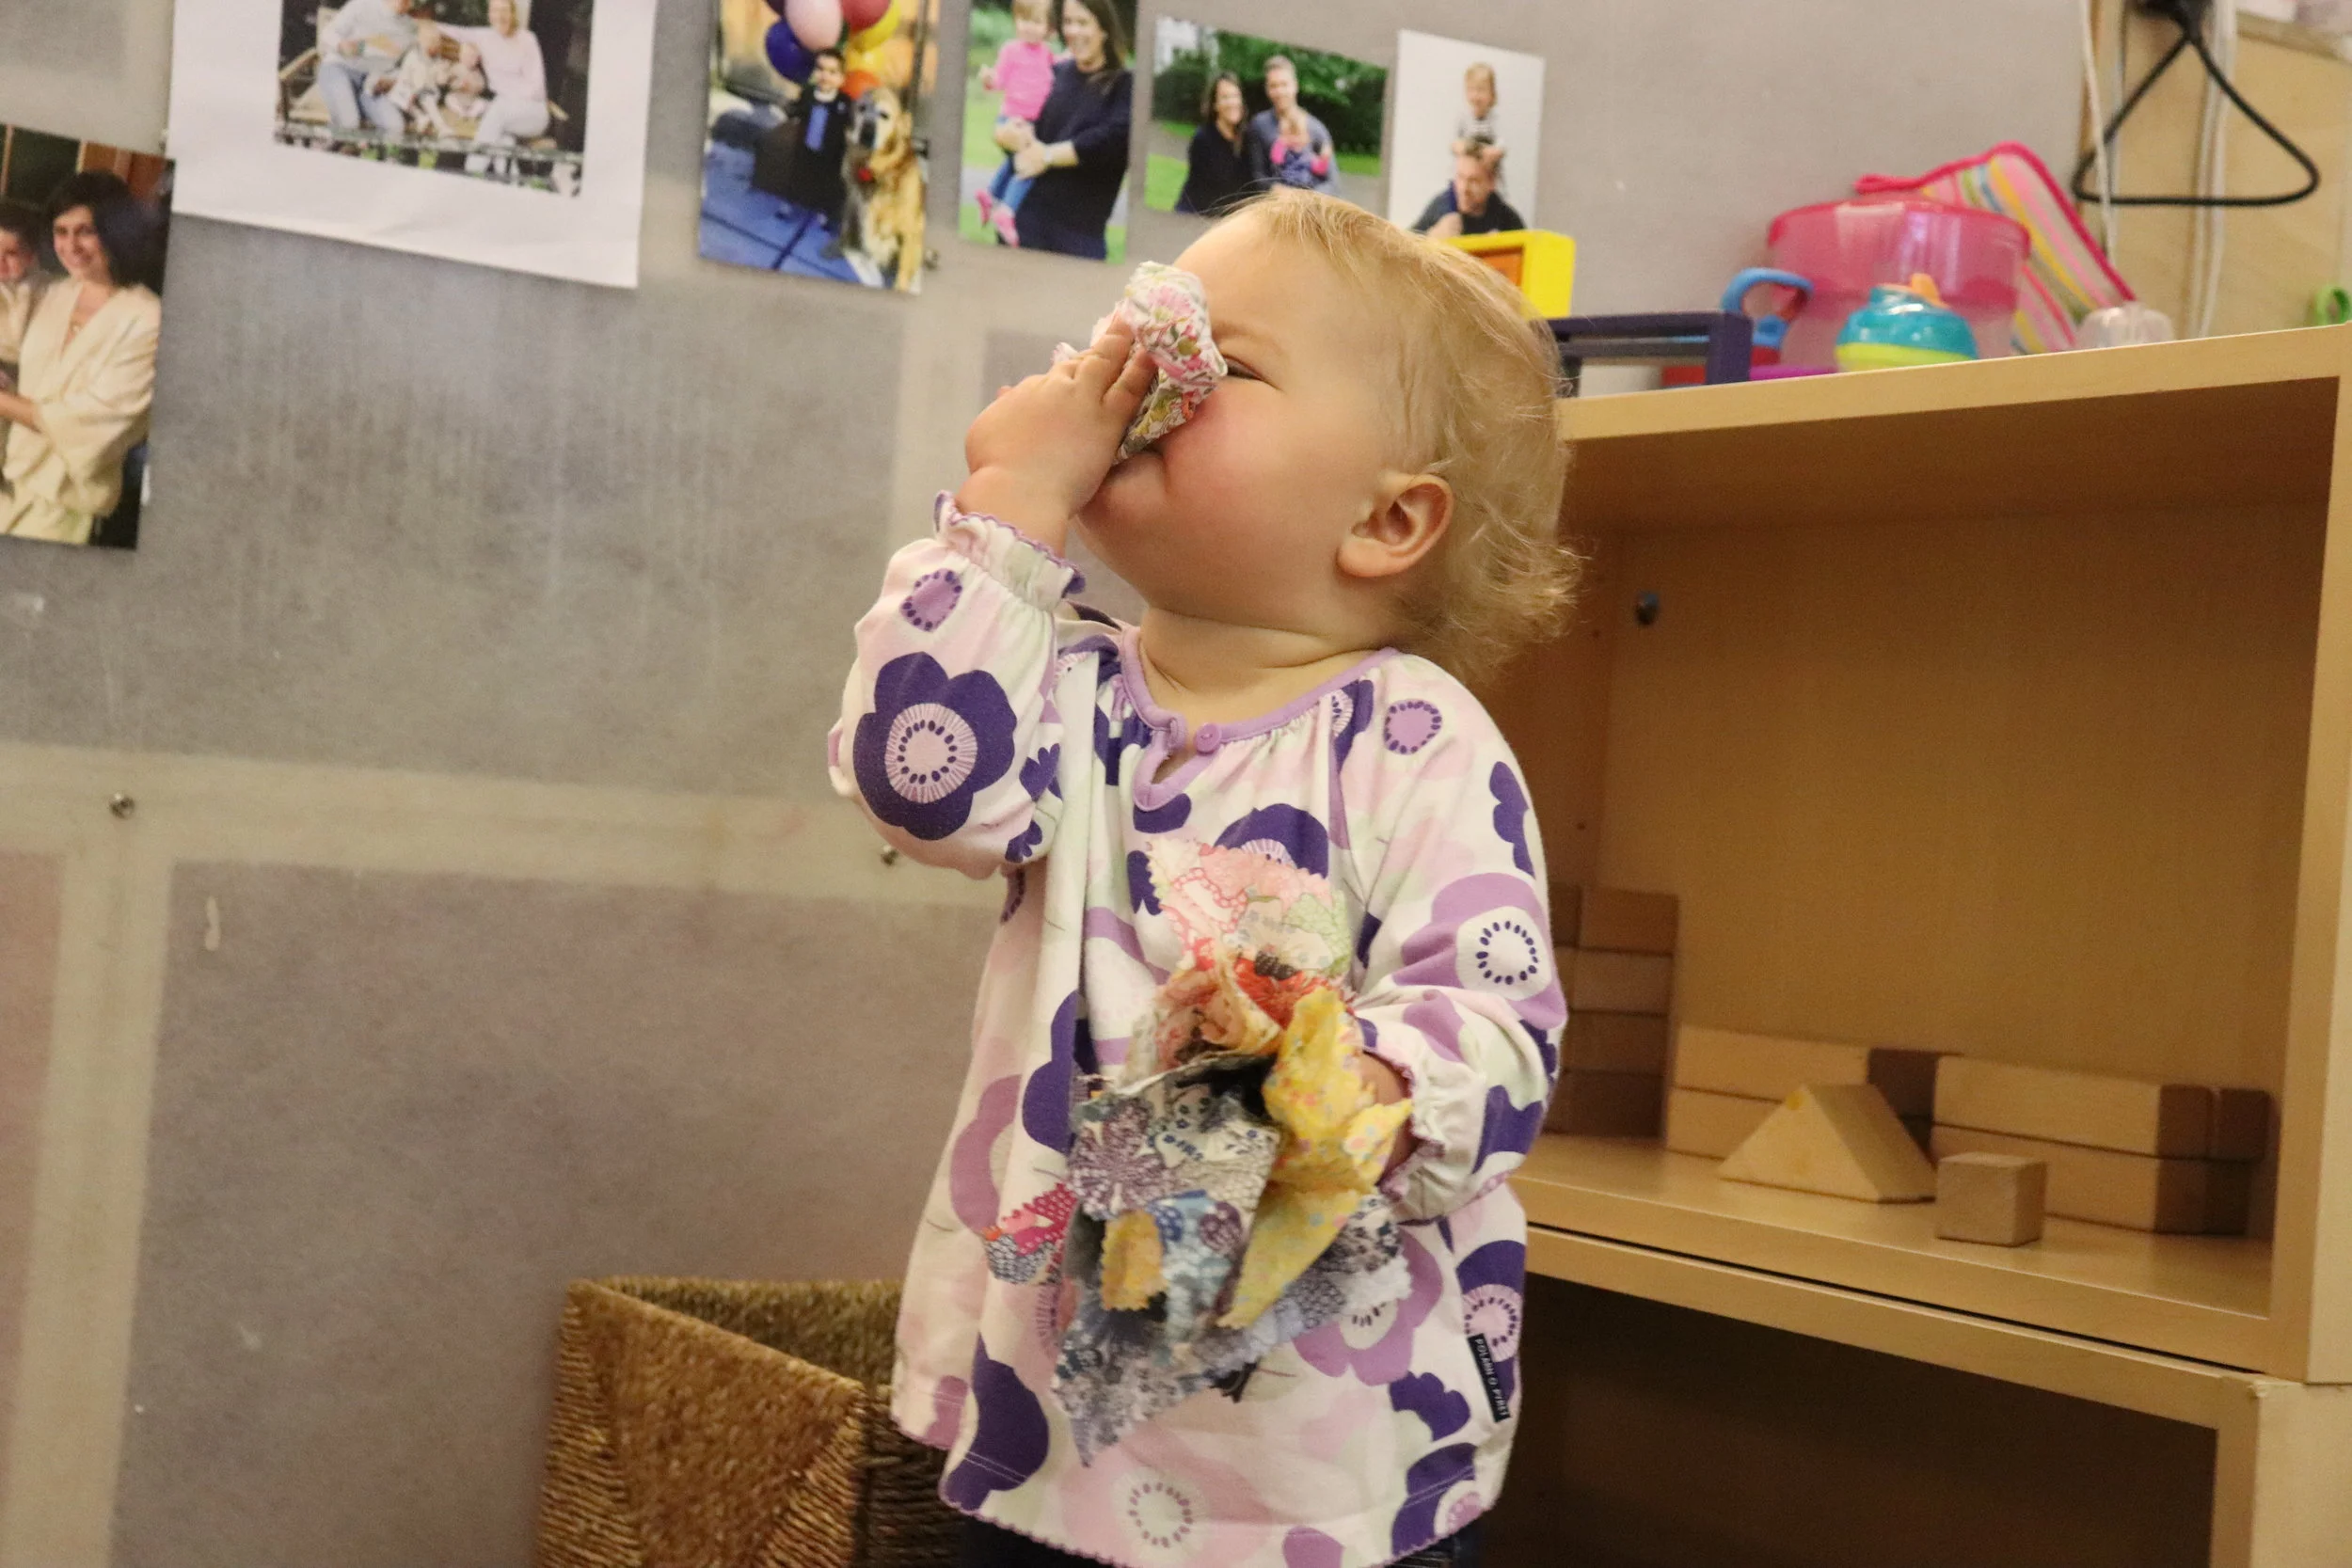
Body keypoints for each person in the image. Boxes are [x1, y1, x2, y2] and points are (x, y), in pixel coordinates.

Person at [831, 188, 1572, 1568]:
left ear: (1387, 519)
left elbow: (1500, 1027)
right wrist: (1007, 514)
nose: (1145, 371)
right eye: (1140, 330)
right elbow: (922, 781)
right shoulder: (1064, 685)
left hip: (1315, 1439)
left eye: (1218, 362)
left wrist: (1350, 1082)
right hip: (1046, 1410)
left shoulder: (1419, 741)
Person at [0, 174, 162, 546]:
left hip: (68, 510)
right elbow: (9, 339)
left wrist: (4, 402)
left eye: (85, 231)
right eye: (61, 231)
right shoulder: (53, 292)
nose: (70, 246)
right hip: (11, 486)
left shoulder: (149, 318)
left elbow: (94, 420)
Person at [1004, 0, 1134, 260]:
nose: (1073, 31)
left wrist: (1048, 156)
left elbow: (1115, 139)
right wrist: (1008, 135)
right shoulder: (1055, 72)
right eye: (1068, 22)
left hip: (1077, 240)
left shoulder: (1124, 84)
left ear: (1104, 29)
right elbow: (1029, 130)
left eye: (1083, 23)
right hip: (1025, 227)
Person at [975, 0, 1060, 246]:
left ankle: (990, 195)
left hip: (1034, 122)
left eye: (1036, 21)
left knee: (1014, 163)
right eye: (1024, 20)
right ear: (1015, 22)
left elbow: (1055, 75)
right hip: (1012, 120)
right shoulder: (1011, 50)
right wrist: (989, 79)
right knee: (1029, 164)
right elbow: (999, 81)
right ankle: (1007, 211)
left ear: (1049, 28)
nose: (1029, 27)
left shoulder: (1047, 54)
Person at [752, 48, 853, 241]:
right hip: (806, 147)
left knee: (827, 184)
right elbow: (798, 110)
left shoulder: (844, 102)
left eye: (832, 72)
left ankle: (823, 213)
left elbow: (850, 125)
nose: (825, 76)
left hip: (830, 153)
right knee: (797, 176)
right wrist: (789, 109)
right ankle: (789, 204)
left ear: (841, 78)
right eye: (821, 69)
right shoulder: (808, 94)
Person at [439, 0, 550, 173]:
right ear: (489, 15)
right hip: (506, 114)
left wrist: (506, 99)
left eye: (504, 10)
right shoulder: (484, 37)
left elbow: (537, 90)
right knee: (504, 139)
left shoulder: (527, 40)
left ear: (513, 13)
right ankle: (508, 178)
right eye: (495, 10)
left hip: (533, 112)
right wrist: (422, 23)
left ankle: (471, 172)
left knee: (497, 113)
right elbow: (455, 32)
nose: (500, 16)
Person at [317, 0, 421, 135]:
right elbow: (327, 33)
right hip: (339, 68)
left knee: (395, 126)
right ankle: (330, 143)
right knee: (349, 123)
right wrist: (340, 44)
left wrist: (391, 80)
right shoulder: (361, 5)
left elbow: (404, 67)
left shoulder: (411, 28)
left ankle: (374, 149)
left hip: (372, 84)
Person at [1244, 55, 1336, 196]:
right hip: (1273, 202)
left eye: (1284, 84)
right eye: (1273, 86)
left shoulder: (1316, 129)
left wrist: (1306, 197)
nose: (1279, 92)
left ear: (1295, 86)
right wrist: (1277, 190)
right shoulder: (1259, 126)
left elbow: (1332, 183)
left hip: (1309, 201)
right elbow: (1256, 175)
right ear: (1267, 89)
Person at [1174, 71, 1250, 217]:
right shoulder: (1203, 139)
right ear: (1215, 105)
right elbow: (1203, 193)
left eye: (1235, 96)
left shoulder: (1247, 139)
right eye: (1225, 97)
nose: (1232, 102)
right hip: (1195, 215)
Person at [1413, 149, 1527, 238]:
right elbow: (1407, 248)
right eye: (1460, 177)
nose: (1464, 189)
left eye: (1473, 181)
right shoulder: (1440, 206)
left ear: (1491, 182)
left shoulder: (1508, 221)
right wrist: (1431, 237)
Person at [0, 202, 44, 388]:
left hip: (31, 371)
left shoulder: (44, 288)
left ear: (30, 256)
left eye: (11, 253)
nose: (0, 261)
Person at [1452, 62, 1507, 195]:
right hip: (1466, 174)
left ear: (1492, 95)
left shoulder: (1495, 121)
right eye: (1471, 90)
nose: (1476, 96)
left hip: (1487, 179)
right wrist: (1467, 150)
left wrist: (1481, 152)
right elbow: (1455, 145)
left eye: (1481, 90)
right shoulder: (1463, 119)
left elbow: (1499, 150)